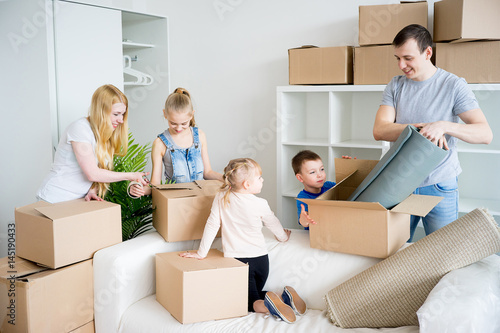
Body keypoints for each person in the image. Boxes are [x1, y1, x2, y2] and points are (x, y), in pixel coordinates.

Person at [373, 24, 492, 241]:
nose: (401, 65)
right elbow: (380, 130)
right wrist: (420, 129)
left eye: (408, 58)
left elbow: (485, 134)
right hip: (399, 184)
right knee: (393, 252)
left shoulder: (454, 85)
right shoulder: (395, 85)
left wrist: (444, 126)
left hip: (439, 184)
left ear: (428, 53)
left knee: (442, 253)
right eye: (397, 58)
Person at [180, 158, 306, 324]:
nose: (262, 180)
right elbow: (273, 223)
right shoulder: (260, 203)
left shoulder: (221, 197)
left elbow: (211, 225)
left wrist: (201, 253)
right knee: (249, 295)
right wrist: (283, 236)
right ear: (247, 184)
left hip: (238, 262)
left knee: (248, 302)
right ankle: (284, 297)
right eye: (260, 178)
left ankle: (273, 305)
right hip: (261, 261)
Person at [37, 84, 149, 203]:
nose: (121, 120)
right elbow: (93, 173)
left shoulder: (104, 134)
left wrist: (92, 190)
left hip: (77, 200)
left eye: (123, 114)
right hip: (54, 198)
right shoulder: (80, 129)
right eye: (116, 114)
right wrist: (130, 175)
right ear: (101, 111)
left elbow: (99, 168)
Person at [130, 87, 222, 197]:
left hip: (201, 200)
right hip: (175, 202)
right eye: (173, 123)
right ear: (165, 114)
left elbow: (207, 173)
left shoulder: (200, 136)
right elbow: (155, 184)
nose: (178, 128)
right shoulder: (160, 144)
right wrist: (140, 190)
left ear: (192, 115)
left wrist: (227, 179)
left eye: (184, 123)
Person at [292, 150, 341, 229]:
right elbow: (303, 222)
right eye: (312, 172)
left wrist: (347, 166)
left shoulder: (328, 185)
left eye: (321, 169)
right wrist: (305, 219)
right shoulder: (303, 197)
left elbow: (346, 187)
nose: (319, 175)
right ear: (300, 178)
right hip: (316, 234)